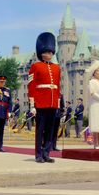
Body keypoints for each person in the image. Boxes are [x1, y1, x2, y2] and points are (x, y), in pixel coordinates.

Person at [28, 32, 61, 163]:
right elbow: (32, 85)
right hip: (41, 102)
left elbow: (58, 86)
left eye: (50, 52)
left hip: (52, 103)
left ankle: (46, 153)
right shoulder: (35, 66)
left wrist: (58, 103)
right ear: (41, 52)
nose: (49, 54)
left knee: (50, 130)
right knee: (40, 129)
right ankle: (38, 154)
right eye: (46, 52)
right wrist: (32, 104)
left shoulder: (57, 68)